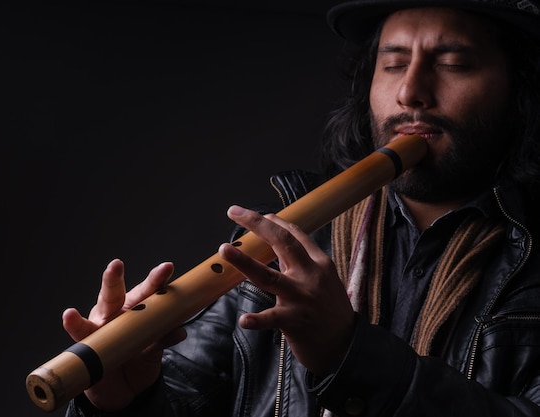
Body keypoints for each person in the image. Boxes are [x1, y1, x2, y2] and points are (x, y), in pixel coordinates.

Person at [62, 1, 540, 416]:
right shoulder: (289, 236)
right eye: (392, 64)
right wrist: (126, 400)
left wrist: (349, 354)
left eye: (453, 63)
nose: (410, 91)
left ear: (519, 88)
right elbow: (188, 399)